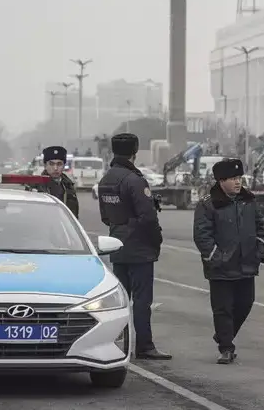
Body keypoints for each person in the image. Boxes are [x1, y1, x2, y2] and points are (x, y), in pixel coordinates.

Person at [98, 133, 171, 360]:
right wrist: (155, 240)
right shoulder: (134, 180)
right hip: (139, 248)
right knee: (142, 301)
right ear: (135, 151)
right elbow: (148, 217)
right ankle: (145, 346)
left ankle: (113, 342)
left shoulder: (106, 179)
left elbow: (105, 217)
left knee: (119, 300)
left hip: (117, 245)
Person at [193, 158, 264, 364]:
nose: (238, 182)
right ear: (220, 181)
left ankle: (224, 335)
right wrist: (216, 258)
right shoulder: (208, 204)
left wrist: (260, 250)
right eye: (233, 179)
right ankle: (226, 347)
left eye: (239, 178)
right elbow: (202, 236)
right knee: (223, 308)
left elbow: (260, 227)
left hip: (246, 265)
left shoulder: (248, 200)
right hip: (221, 268)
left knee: (245, 304)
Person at [30, 146, 79, 218]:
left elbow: (74, 214)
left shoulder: (68, 185)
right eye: (51, 164)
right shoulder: (36, 185)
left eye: (59, 164)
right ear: (45, 165)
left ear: (63, 165)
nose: (55, 168)